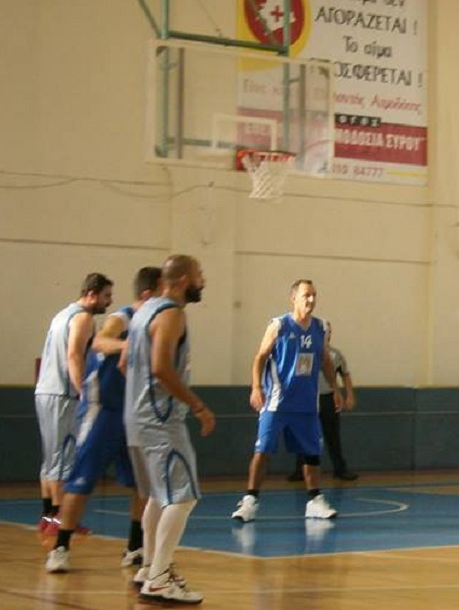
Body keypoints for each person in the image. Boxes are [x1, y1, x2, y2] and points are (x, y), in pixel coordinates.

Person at [45, 266, 162, 574]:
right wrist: (129, 346)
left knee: (142, 484)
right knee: (82, 481)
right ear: (149, 294)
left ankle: (135, 547)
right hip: (103, 410)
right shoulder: (122, 318)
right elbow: (100, 342)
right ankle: (60, 547)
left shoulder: (158, 326)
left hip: (134, 414)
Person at [123, 254, 214, 605]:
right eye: (199, 274)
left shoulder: (143, 311)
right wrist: (198, 406)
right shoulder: (172, 313)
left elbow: (124, 362)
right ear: (183, 280)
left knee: (158, 496)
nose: (203, 281)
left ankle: (149, 568)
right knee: (184, 496)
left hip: (136, 417)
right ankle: (159, 579)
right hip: (160, 420)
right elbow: (161, 368)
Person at [231, 279, 340, 523]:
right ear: (293, 298)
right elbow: (260, 357)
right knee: (263, 450)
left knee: (312, 454)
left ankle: (314, 500)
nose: (311, 299)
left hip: (306, 403)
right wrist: (256, 387)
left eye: (314, 295)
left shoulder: (320, 327)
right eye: (306, 295)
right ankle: (250, 500)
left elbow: (325, 360)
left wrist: (335, 388)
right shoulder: (279, 325)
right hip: (277, 402)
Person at [35, 272, 114, 535]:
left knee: (50, 457)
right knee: (63, 457)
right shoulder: (83, 318)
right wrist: (83, 392)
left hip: (45, 391)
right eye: (106, 296)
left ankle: (47, 515)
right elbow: (74, 356)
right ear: (91, 294)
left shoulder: (61, 315)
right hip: (63, 394)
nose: (109, 301)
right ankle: (61, 520)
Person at [288, 337, 358, 482]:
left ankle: (340, 469)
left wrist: (349, 395)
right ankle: (300, 470)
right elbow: (300, 375)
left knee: (332, 435)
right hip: (308, 398)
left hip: (328, 398)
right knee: (304, 435)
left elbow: (345, 375)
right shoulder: (306, 353)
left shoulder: (335, 355)